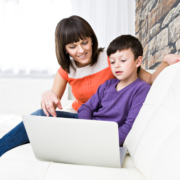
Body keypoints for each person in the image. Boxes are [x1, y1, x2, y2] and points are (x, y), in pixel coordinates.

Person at [0, 16, 179, 156]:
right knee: (39, 117)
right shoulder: (66, 70)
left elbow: (149, 80)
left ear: (92, 40)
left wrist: (164, 62)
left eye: (84, 42)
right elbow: (52, 103)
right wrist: (47, 94)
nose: (81, 50)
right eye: (72, 46)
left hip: (103, 123)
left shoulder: (111, 60)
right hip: (82, 117)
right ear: (65, 49)